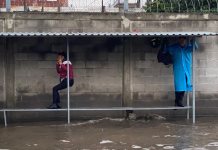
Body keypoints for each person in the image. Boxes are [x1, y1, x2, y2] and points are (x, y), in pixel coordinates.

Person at [165, 37, 198, 107]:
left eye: (183, 39)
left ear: (185, 40)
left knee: (185, 84)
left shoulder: (188, 48)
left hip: (187, 70)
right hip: (178, 69)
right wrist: (165, 42)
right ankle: (177, 101)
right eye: (180, 38)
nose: (182, 40)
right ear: (178, 39)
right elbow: (166, 50)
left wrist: (193, 40)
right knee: (178, 85)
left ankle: (178, 101)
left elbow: (195, 47)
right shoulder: (174, 47)